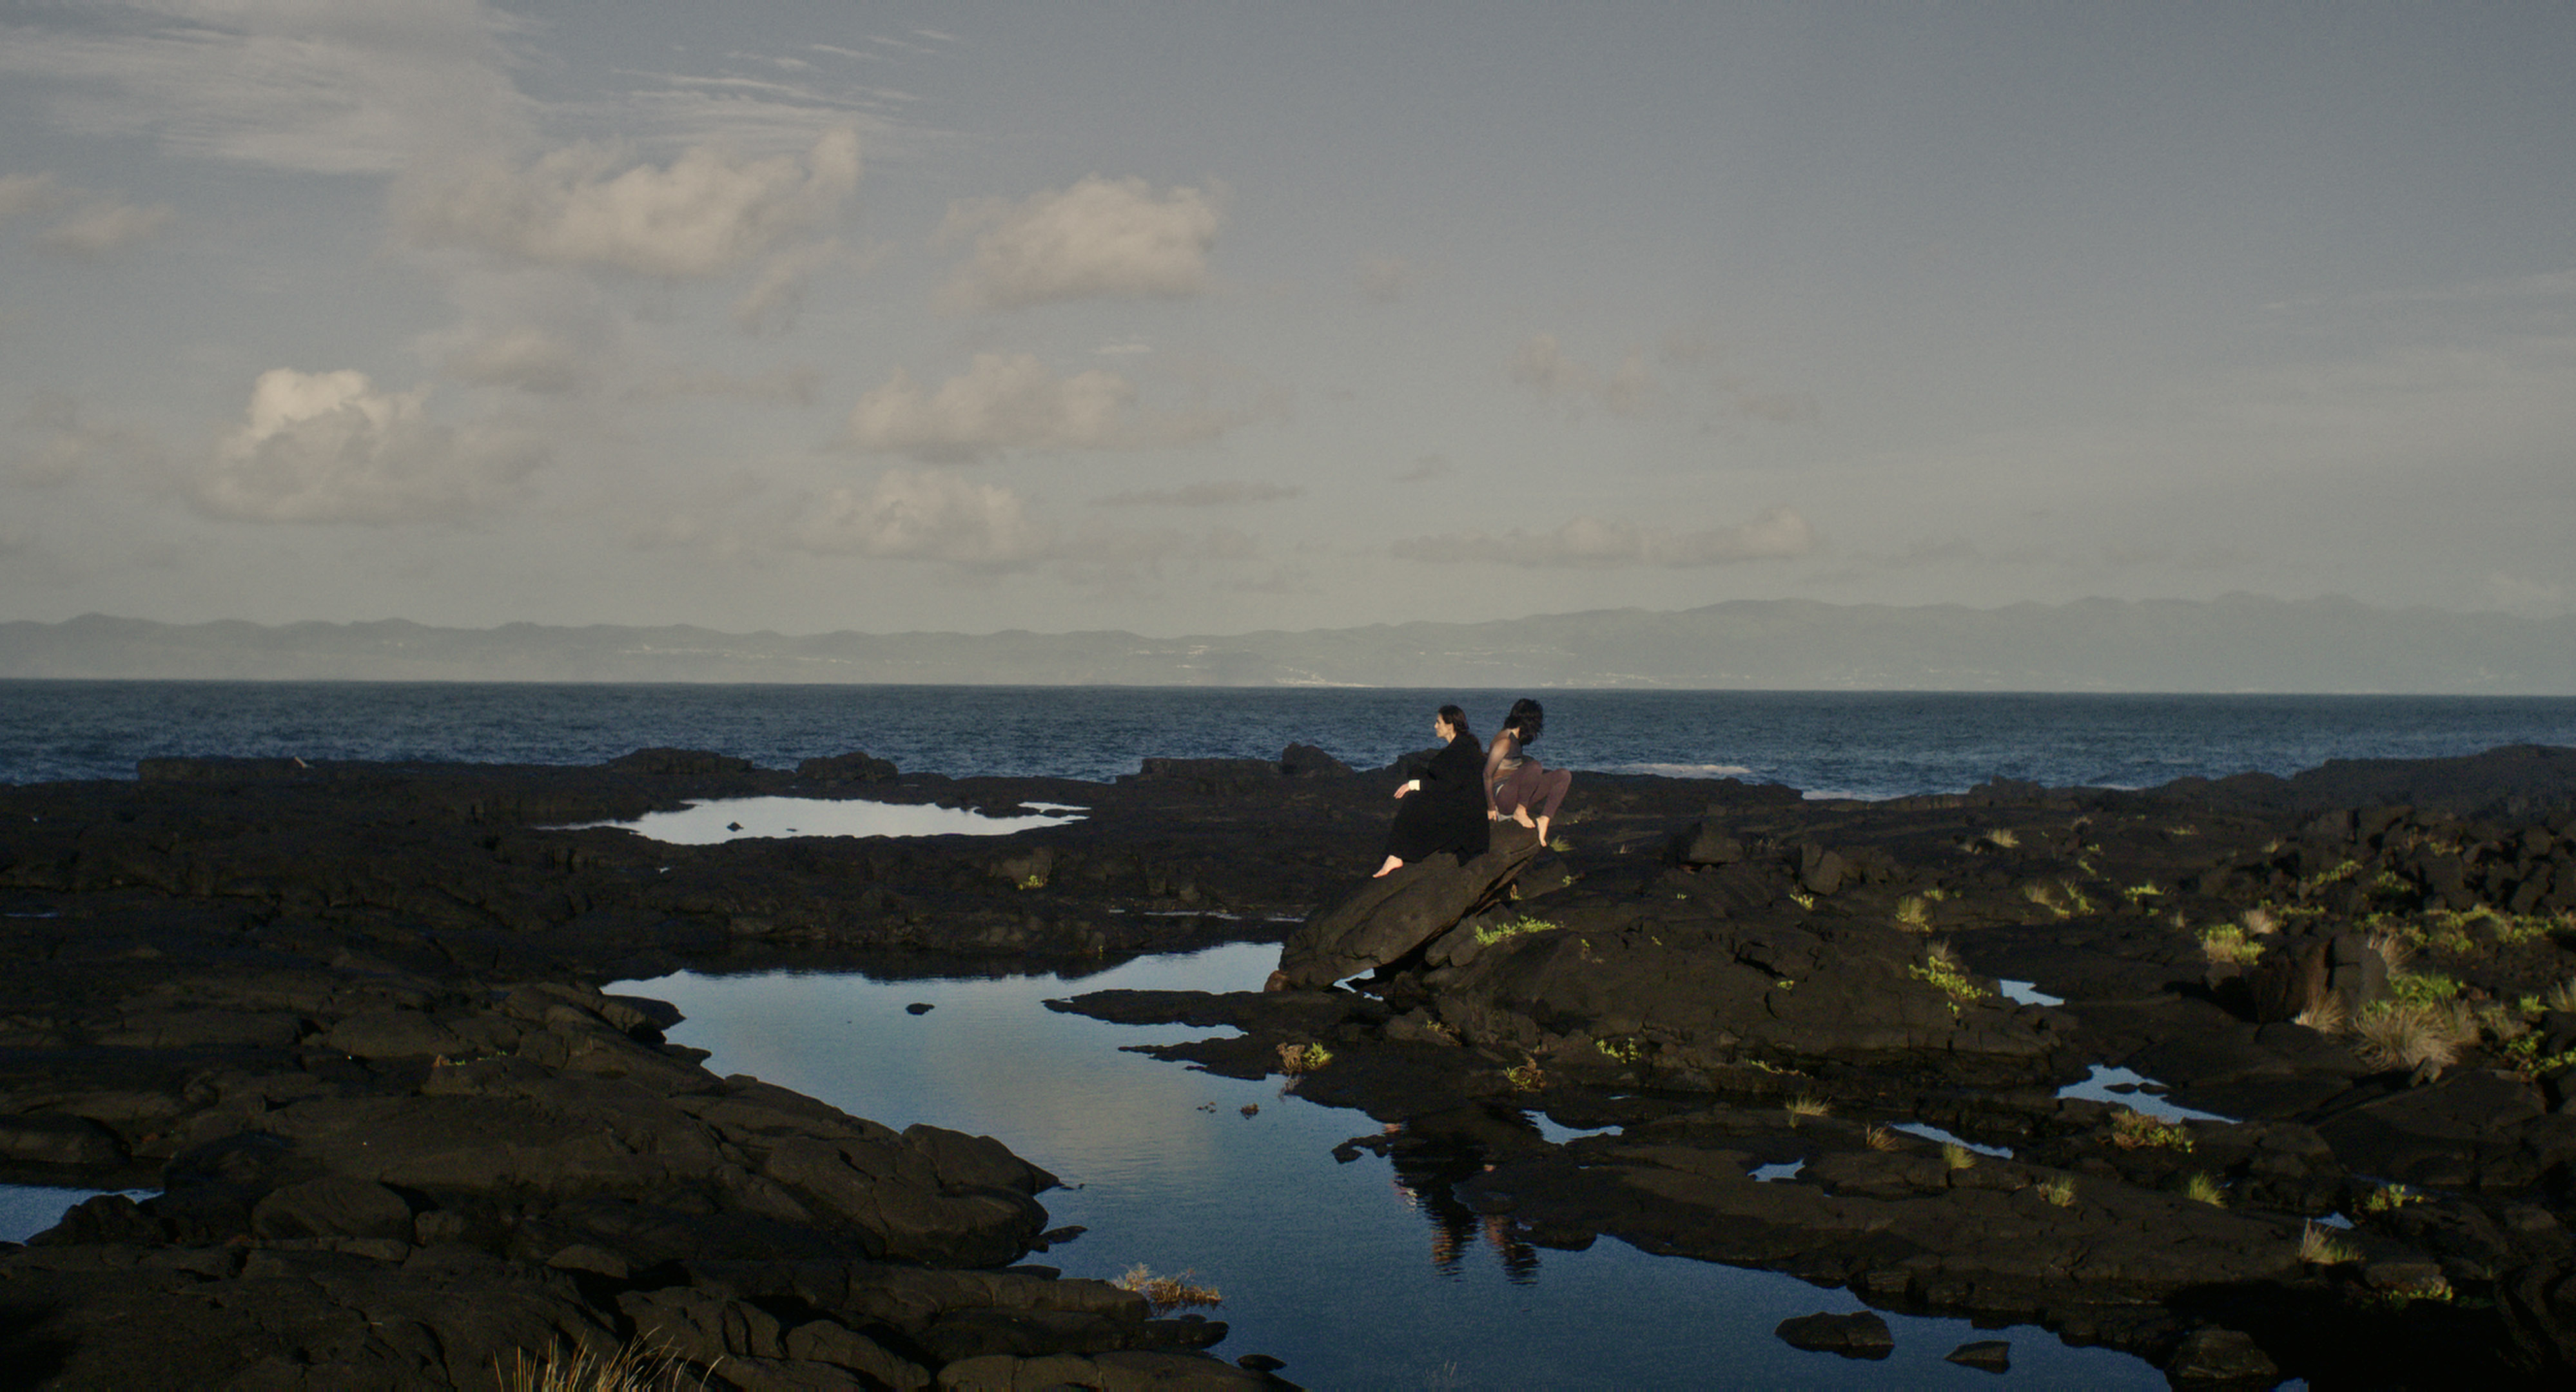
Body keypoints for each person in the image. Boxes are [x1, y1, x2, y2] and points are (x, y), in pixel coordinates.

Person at [1374, 704, 1491, 877]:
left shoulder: (1461, 751)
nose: (1435, 726)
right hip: (1461, 802)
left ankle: (1396, 854)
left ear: (1450, 725)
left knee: (1415, 801)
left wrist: (1414, 785)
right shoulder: (1464, 746)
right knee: (1417, 775)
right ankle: (1396, 854)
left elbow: (1449, 786)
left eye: (1438, 722)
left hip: (1464, 814)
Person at [1485, 697, 1572, 848]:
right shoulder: (1504, 741)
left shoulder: (1516, 740)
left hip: (1516, 795)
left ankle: (1544, 820)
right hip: (1503, 798)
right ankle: (1520, 811)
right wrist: (1491, 807)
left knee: (1564, 775)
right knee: (1535, 766)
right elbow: (1487, 774)